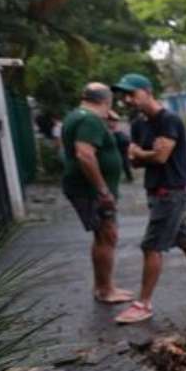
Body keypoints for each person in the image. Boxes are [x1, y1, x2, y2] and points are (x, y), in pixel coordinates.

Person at [110, 73, 186, 325]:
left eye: (132, 93)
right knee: (184, 240)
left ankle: (143, 304)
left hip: (170, 193)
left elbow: (160, 158)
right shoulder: (139, 124)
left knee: (151, 247)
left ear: (147, 91)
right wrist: (144, 153)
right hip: (156, 191)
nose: (128, 99)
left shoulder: (168, 120)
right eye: (124, 95)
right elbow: (135, 160)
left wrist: (142, 153)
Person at [60, 83, 134, 304]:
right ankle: (105, 291)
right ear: (106, 101)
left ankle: (103, 287)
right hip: (91, 191)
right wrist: (103, 190)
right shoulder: (89, 120)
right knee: (107, 235)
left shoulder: (78, 116)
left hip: (85, 188)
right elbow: (85, 155)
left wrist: (109, 123)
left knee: (102, 237)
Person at [107, 109, 134, 183]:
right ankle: (128, 176)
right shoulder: (111, 119)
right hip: (120, 137)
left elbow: (115, 120)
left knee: (123, 159)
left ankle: (129, 176)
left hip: (120, 138)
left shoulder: (114, 121)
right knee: (123, 159)